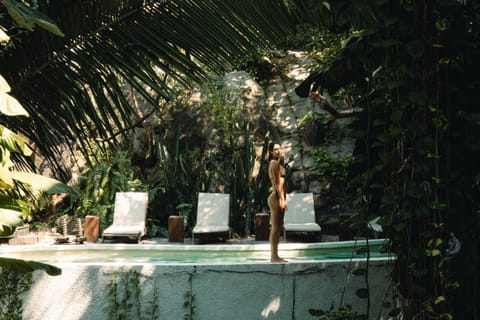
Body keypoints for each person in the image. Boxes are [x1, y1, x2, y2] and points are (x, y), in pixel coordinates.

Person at [267, 141, 288, 263]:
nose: (278, 151)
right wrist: (282, 199)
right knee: (275, 228)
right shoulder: (274, 163)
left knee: (278, 227)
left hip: (277, 195)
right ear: (270, 152)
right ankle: (274, 257)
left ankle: (276, 255)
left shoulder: (276, 163)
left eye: (279, 148)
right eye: (275, 149)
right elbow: (277, 183)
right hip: (276, 197)